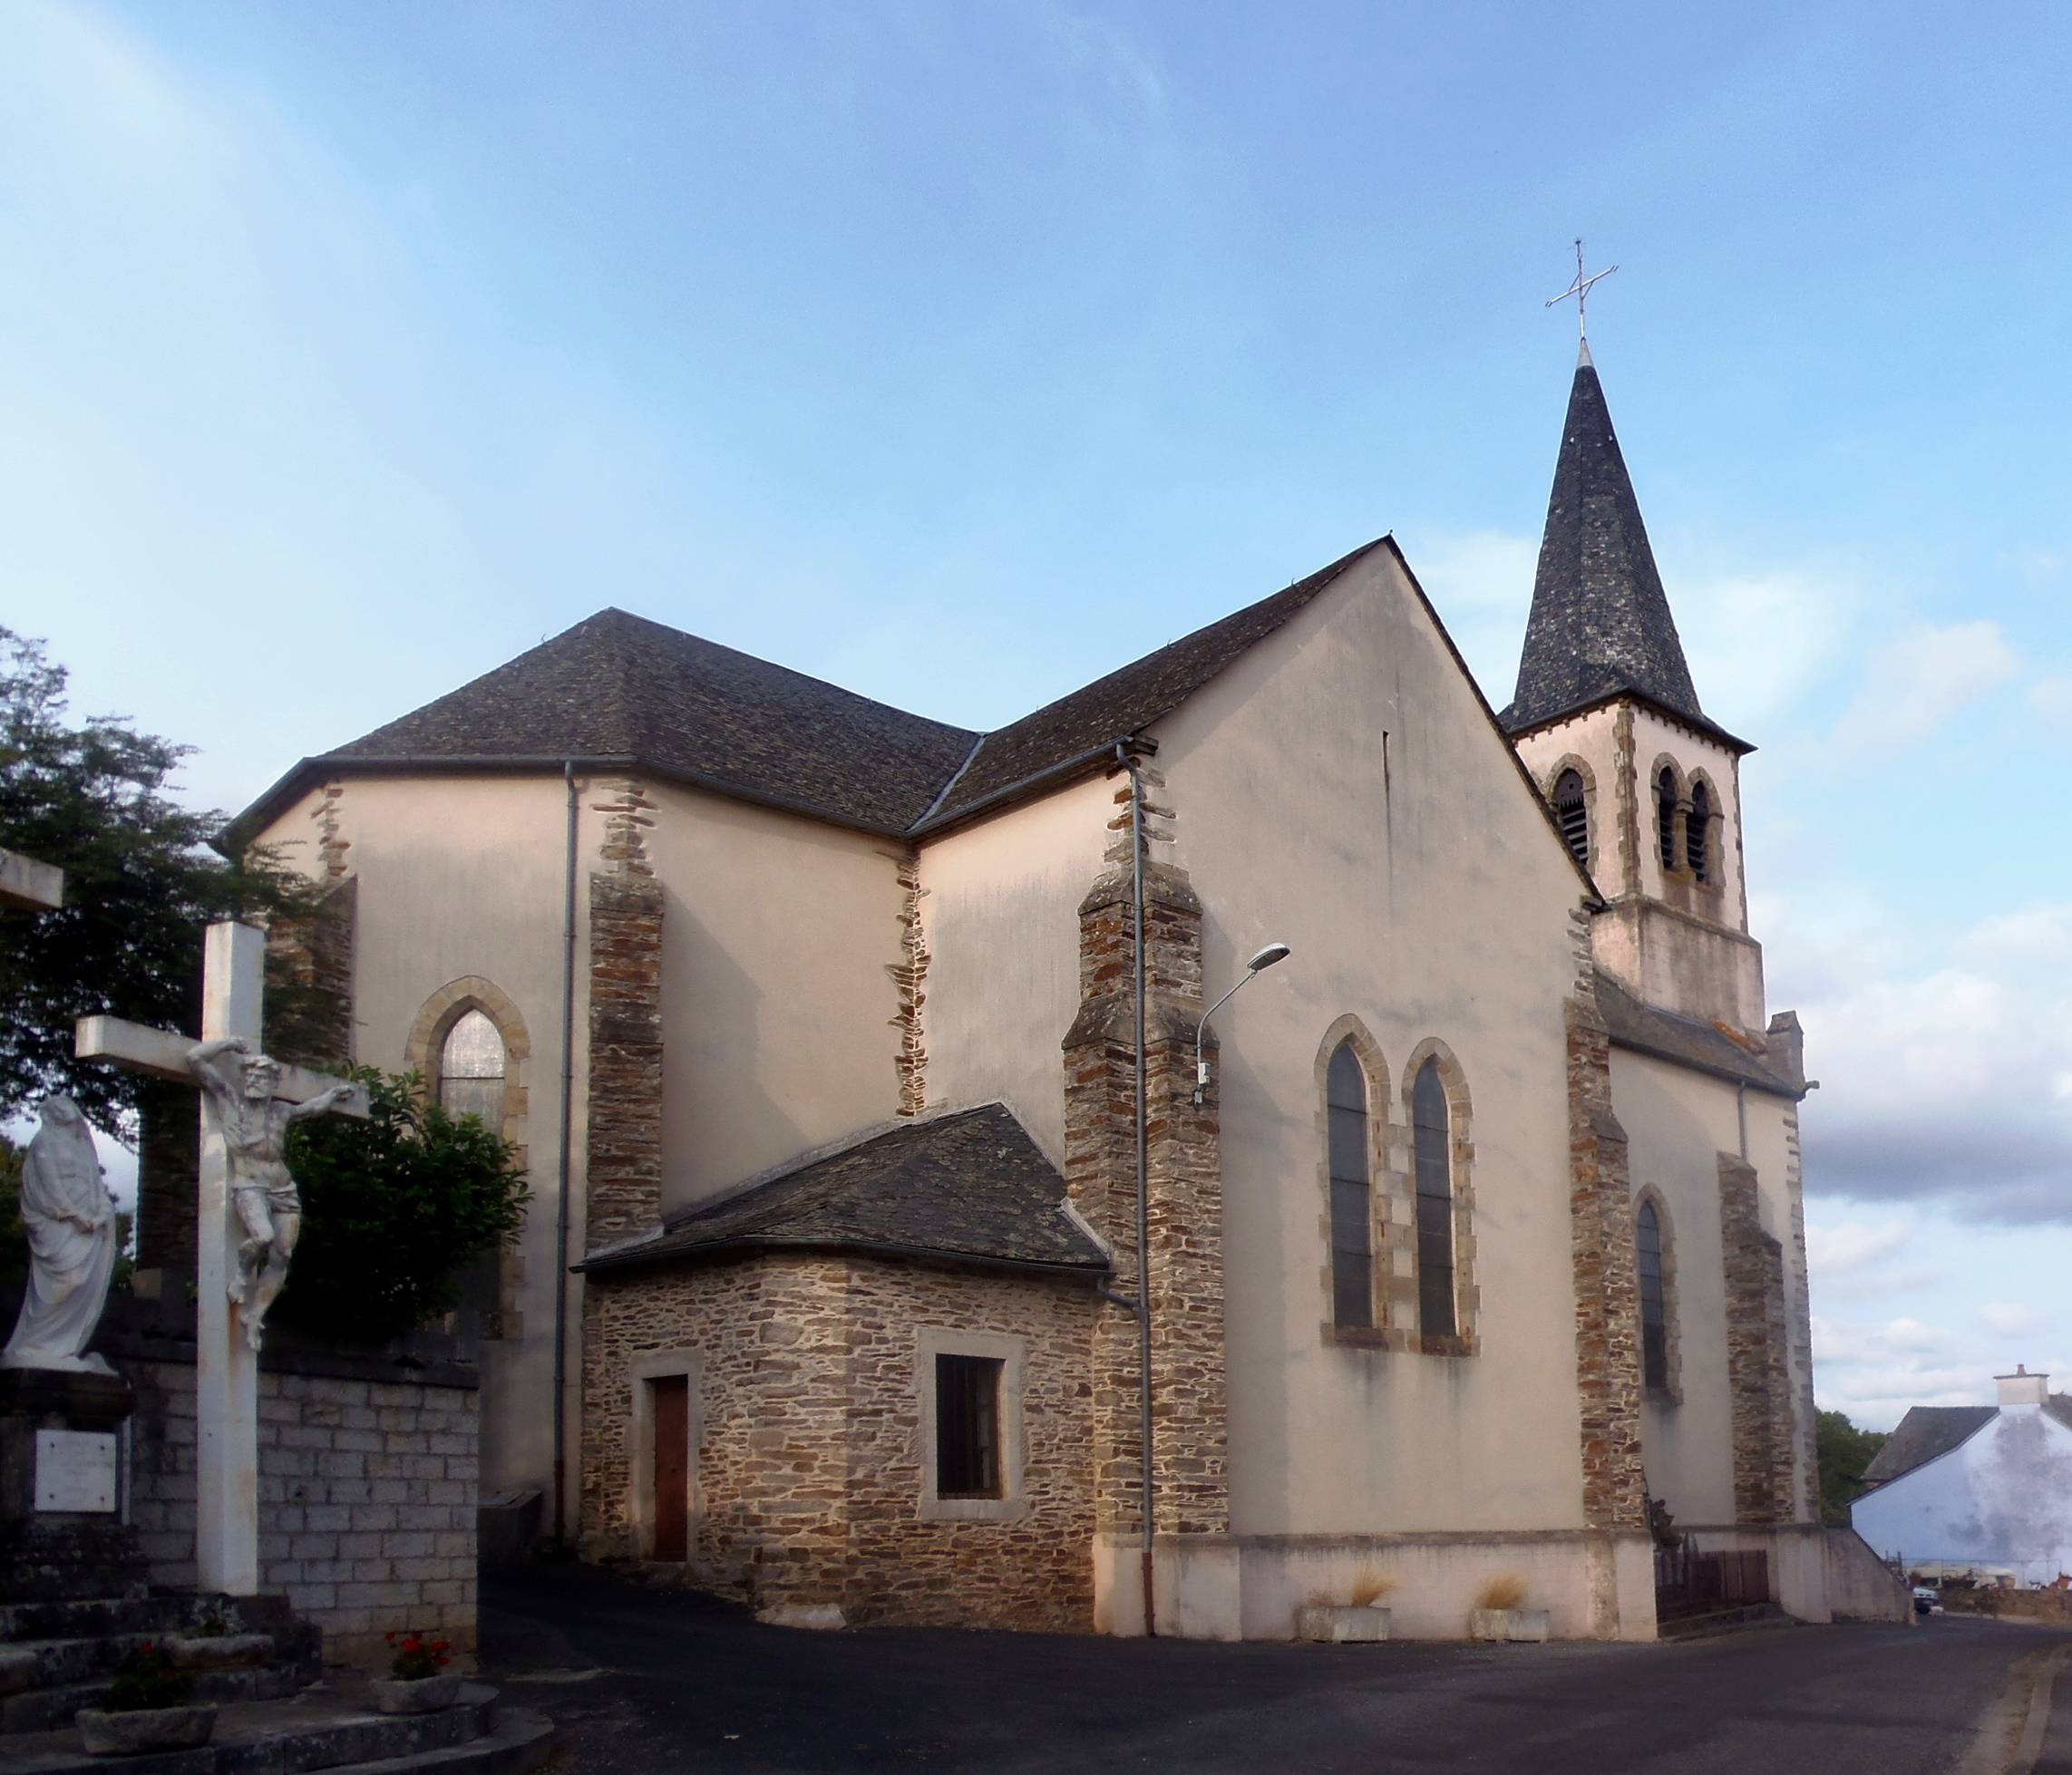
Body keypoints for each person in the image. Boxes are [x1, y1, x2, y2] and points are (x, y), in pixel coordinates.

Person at [187, 1036, 353, 1351]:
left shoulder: (280, 1112)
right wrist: (228, 1044)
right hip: (249, 1184)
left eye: (263, 1077)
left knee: (283, 1254)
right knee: (262, 1237)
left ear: (273, 1083)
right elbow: (195, 1059)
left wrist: (332, 1095)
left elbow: (311, 1109)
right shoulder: (229, 1100)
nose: (255, 1081)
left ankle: (255, 1315)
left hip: (283, 1187)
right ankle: (242, 1273)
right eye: (250, 1075)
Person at [3, 1095, 118, 1372]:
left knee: (85, 1283)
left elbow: (95, 1183)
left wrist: (102, 1212)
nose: (63, 1108)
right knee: (68, 1280)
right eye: (57, 1106)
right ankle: (37, 1344)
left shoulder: (82, 1146)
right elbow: (48, 1183)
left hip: (88, 1223)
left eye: (67, 1104)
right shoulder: (44, 1142)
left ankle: (64, 1347)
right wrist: (73, 1215)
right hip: (60, 1223)